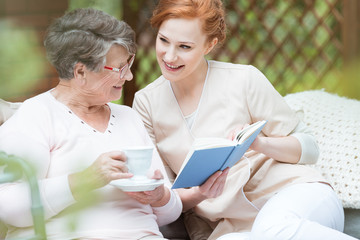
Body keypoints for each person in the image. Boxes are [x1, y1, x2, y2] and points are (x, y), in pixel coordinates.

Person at [132, 1, 357, 239]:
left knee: (273, 228)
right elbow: (164, 199)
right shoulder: (146, 104)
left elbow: (309, 148)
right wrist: (200, 194)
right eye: (163, 40)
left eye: (184, 46)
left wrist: (260, 143)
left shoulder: (243, 80)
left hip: (296, 196)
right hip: (232, 228)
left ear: (210, 44)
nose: (169, 55)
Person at [0, 8, 182, 240]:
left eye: (129, 64)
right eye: (120, 68)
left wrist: (159, 197)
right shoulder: (36, 115)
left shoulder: (129, 117)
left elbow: (170, 213)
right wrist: (84, 180)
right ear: (80, 71)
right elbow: (9, 207)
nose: (128, 77)